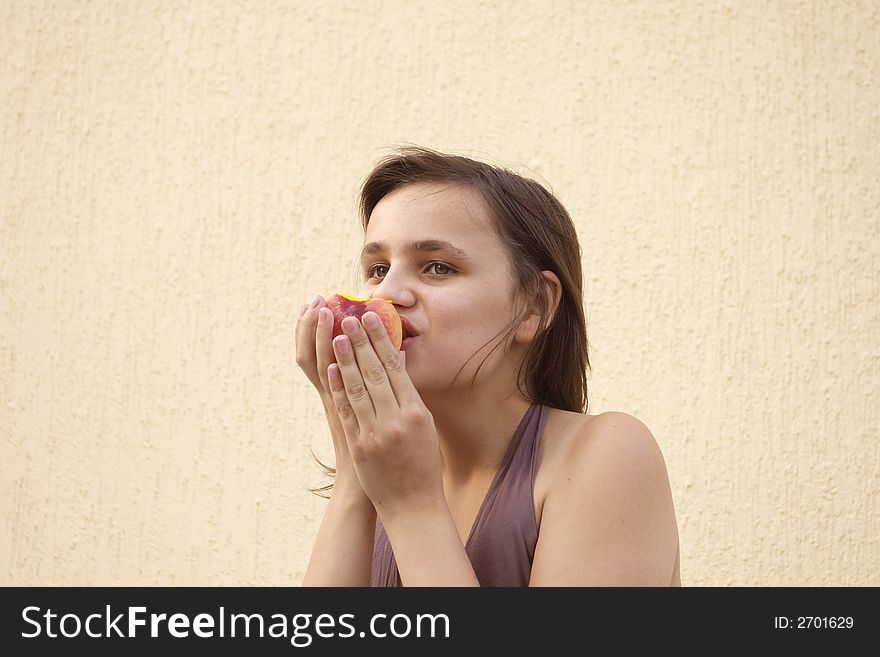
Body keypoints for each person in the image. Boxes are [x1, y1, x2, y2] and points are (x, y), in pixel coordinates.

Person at [296, 146, 680, 586]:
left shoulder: (608, 455)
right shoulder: (387, 475)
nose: (388, 292)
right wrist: (353, 473)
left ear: (534, 305)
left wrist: (413, 506)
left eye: (438, 268)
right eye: (378, 268)